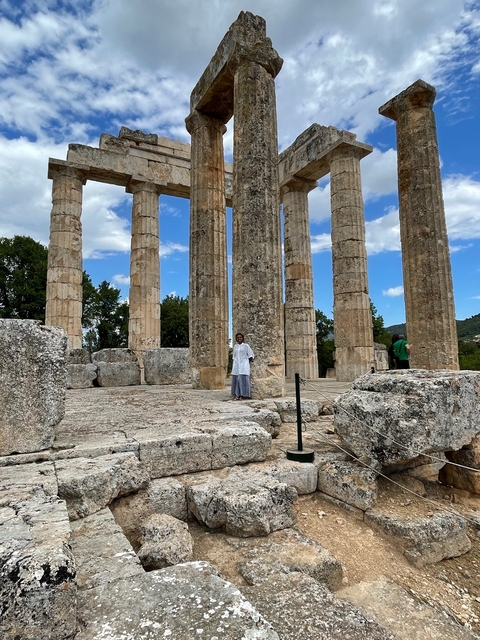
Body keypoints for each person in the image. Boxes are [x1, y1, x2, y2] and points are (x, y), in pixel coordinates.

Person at [231, 333, 254, 400]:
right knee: (236, 380)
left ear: (242, 338)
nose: (239, 339)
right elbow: (234, 356)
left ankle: (243, 395)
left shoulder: (246, 346)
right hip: (236, 365)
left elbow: (251, 355)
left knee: (243, 380)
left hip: (244, 365)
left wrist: (245, 362)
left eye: (240, 337)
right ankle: (236, 394)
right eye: (237, 337)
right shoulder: (235, 346)